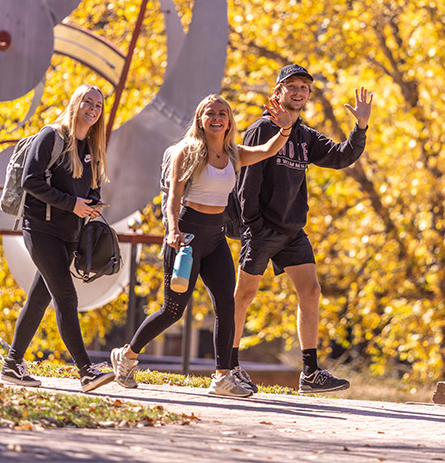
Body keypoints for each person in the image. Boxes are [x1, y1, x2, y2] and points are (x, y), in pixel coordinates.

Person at [109, 94, 292, 397]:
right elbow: (173, 199)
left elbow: (266, 150)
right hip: (187, 238)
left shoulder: (233, 154)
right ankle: (126, 356)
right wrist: (172, 229)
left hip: (216, 237)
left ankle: (222, 376)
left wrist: (284, 129)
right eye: (211, 113)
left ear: (230, 121)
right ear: (200, 120)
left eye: (223, 113)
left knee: (226, 305)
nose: (217, 118)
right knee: (173, 310)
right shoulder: (187, 152)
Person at [230, 64, 372, 394]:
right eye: (291, 85)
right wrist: (253, 225)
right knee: (243, 296)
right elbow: (246, 183)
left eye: (304, 88)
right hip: (262, 228)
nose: (298, 91)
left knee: (311, 292)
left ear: (308, 96)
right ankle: (229, 366)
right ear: (277, 92)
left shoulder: (305, 136)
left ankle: (309, 372)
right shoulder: (262, 129)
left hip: (292, 231)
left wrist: (360, 127)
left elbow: (341, 156)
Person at [0, 84, 115, 392]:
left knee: (40, 298)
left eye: (98, 105)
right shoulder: (51, 136)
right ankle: (86, 371)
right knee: (66, 297)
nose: (92, 108)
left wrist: (91, 203)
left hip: (69, 233)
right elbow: (30, 180)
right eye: (87, 101)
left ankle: (12, 365)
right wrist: (71, 204)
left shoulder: (91, 147)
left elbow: (89, 189)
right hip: (40, 229)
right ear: (75, 103)